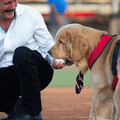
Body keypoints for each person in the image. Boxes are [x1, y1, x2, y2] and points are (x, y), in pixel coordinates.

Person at [0, 0, 65, 120]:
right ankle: (17, 110)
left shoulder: (31, 14)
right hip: (9, 74)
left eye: (15, 1)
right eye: (8, 3)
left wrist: (55, 59)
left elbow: (48, 45)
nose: (13, 6)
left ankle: (32, 114)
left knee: (21, 53)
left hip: (37, 70)